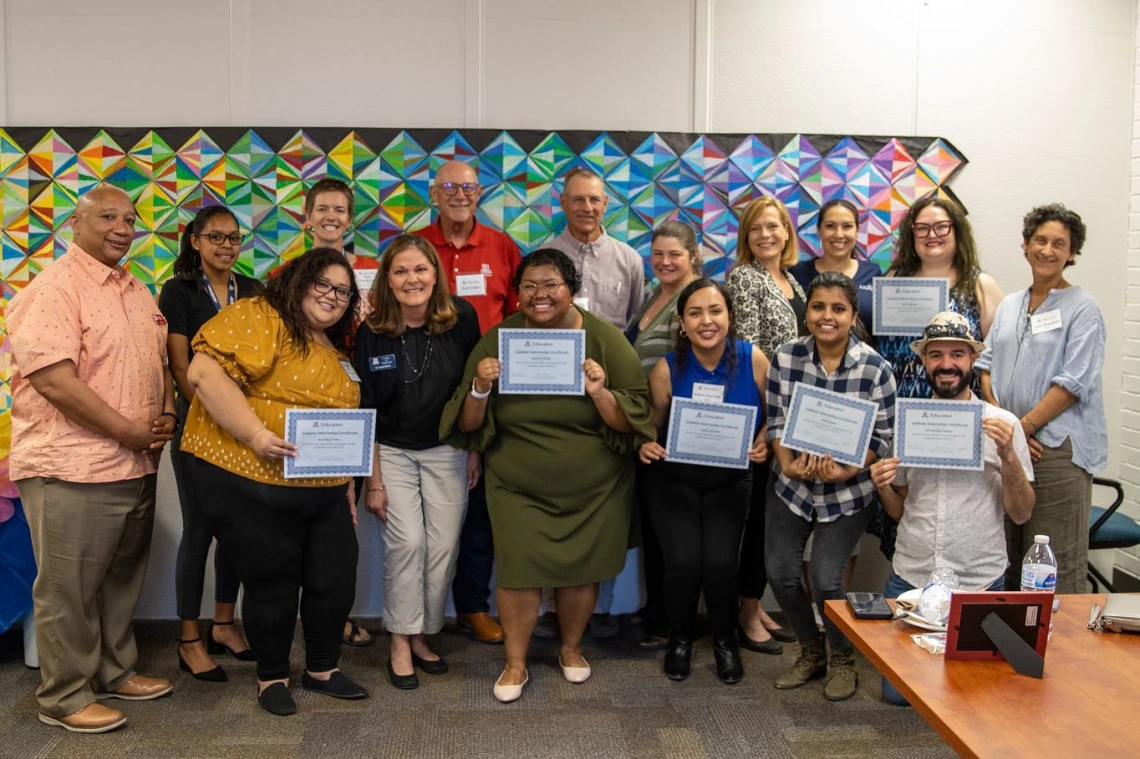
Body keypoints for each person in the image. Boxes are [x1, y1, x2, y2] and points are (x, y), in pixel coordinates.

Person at [440, 248, 654, 703]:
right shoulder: (498, 339)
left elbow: (633, 418)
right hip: (518, 486)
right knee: (518, 571)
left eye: (551, 285)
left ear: (571, 289)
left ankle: (571, 649)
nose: (540, 295)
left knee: (581, 570)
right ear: (517, 293)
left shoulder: (604, 340)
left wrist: (599, 393)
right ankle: (515, 663)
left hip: (593, 487)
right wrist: (480, 386)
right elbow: (468, 423)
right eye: (529, 286)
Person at [8, 185, 176, 733]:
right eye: (107, 216)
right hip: (71, 467)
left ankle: (112, 670)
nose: (122, 227)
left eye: (129, 218)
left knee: (119, 580)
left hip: (132, 465)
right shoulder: (55, 288)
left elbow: (158, 361)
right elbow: (54, 380)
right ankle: (65, 696)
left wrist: (167, 412)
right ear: (75, 224)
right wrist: (129, 430)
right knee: (68, 589)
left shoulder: (135, 289)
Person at [181, 248, 368, 716]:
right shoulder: (260, 316)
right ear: (298, 282)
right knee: (273, 582)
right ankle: (272, 677)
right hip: (250, 478)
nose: (332, 296)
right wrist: (256, 433)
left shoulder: (331, 345)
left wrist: (346, 485)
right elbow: (203, 371)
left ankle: (323, 668)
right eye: (322, 284)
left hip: (321, 489)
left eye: (343, 291)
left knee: (335, 579)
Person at [871, 311, 1035, 705]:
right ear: (924, 361)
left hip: (977, 578)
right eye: (937, 355)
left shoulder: (1002, 423)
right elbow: (899, 510)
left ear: (972, 360)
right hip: (913, 575)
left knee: (976, 690)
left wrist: (1008, 458)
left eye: (957, 354)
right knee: (897, 696)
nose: (947, 364)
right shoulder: (912, 420)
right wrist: (882, 489)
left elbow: (1022, 513)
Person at [354, 235, 481, 689]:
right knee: (407, 545)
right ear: (388, 280)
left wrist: (473, 449)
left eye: (420, 269)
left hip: (449, 449)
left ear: (435, 274)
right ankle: (400, 641)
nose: (412, 279)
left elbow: (475, 390)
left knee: (443, 548)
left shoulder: (462, 318)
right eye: (401, 271)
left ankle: (425, 633)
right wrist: (374, 480)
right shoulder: (371, 331)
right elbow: (364, 407)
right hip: (392, 453)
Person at [765, 272, 897, 702]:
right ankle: (810, 650)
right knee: (782, 574)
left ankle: (841, 655)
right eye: (818, 307)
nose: (827, 316)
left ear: (853, 315)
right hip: (793, 486)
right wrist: (789, 464)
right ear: (807, 312)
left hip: (848, 492)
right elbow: (777, 422)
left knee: (826, 579)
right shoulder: (786, 357)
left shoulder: (876, 368)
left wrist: (847, 470)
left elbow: (882, 438)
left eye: (838, 309)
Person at [638, 279, 770, 683]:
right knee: (681, 565)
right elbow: (652, 427)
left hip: (730, 480)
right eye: (695, 313)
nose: (706, 321)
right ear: (681, 322)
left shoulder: (754, 359)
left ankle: (725, 641)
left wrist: (764, 440)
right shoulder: (667, 368)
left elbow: (775, 416)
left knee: (719, 565)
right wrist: (644, 444)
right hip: (673, 480)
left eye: (715, 311)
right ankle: (679, 640)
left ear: (729, 317)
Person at [417, 159, 523, 645]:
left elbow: (521, 316)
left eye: (470, 187)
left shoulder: (503, 247)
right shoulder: (417, 247)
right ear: (434, 193)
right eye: (450, 187)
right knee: (428, 513)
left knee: (480, 507)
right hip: (428, 387)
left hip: (491, 388)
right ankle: (420, 610)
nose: (461, 194)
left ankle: (472, 606)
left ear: (480, 193)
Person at [977, 204, 1107, 594]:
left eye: (1059, 244)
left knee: (1051, 564)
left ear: (1072, 253)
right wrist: (1009, 427)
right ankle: (1008, 650)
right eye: (1040, 240)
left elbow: (1072, 384)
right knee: (1008, 556)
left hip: (1054, 451)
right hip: (1012, 446)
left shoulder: (1083, 309)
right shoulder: (1011, 304)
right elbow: (985, 365)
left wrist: (1023, 427)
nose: (1047, 250)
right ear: (1026, 245)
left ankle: (1060, 654)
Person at [544, 166, 647, 638]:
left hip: (605, 396)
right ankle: (549, 609)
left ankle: (595, 610)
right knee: (553, 501)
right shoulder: (543, 256)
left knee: (600, 505)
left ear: (607, 205)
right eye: (578, 200)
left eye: (596, 200)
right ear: (562, 203)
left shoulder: (628, 259)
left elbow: (631, 328)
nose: (588, 208)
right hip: (553, 397)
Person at [159, 206, 261, 681]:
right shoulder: (179, 291)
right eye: (215, 237)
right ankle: (188, 637)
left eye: (234, 238)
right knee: (199, 531)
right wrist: (214, 409)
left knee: (239, 529)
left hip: (241, 425)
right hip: (196, 423)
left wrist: (242, 418)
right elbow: (180, 364)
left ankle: (223, 623)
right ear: (195, 241)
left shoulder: (253, 290)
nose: (226, 246)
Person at [872, 196, 1004, 561]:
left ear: (956, 231)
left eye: (941, 226)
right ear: (911, 234)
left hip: (956, 418)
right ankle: (908, 595)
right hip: (901, 415)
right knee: (904, 510)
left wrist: (1000, 414)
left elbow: (995, 359)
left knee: (949, 505)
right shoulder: (893, 281)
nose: (932, 235)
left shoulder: (980, 284)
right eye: (922, 228)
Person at [726, 196, 803, 653]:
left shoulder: (789, 279)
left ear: (787, 232)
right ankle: (746, 613)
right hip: (765, 415)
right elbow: (751, 354)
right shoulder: (744, 278)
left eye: (772, 226)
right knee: (755, 521)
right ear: (745, 237)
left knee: (769, 518)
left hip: (790, 412)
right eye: (755, 229)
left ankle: (754, 605)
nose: (765, 235)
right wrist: (766, 426)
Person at [624, 221, 702, 650]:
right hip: (648, 430)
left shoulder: (695, 298)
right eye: (658, 255)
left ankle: (674, 624)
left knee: (674, 534)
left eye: (674, 254)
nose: (665, 262)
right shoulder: (658, 295)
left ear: (693, 254)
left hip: (676, 432)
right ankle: (658, 614)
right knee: (655, 531)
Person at [788, 198, 879, 339]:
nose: (838, 234)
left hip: (864, 360)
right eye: (830, 226)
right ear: (819, 230)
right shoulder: (797, 274)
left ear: (857, 231)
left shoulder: (873, 274)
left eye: (847, 226)